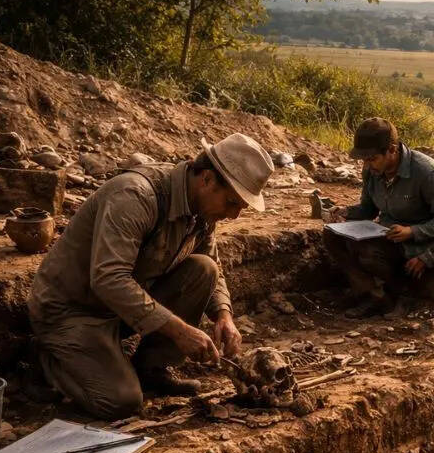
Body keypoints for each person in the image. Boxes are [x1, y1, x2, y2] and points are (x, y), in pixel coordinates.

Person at [26, 133, 274, 419]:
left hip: (117, 311)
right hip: (71, 311)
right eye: (232, 203)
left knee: (203, 269)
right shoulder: (135, 196)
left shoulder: (202, 210)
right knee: (121, 401)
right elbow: (109, 279)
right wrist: (180, 331)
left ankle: (151, 368)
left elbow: (212, 265)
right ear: (206, 179)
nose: (233, 216)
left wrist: (223, 315)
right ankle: (49, 360)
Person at [325, 118, 434, 318]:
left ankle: (400, 297)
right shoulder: (372, 171)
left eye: (371, 159)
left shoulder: (427, 172)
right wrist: (345, 213)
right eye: (364, 160)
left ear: (391, 150)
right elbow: (368, 209)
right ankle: (374, 295)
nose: (366, 165)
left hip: (420, 240)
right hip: (388, 234)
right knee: (331, 236)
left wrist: (412, 232)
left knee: (368, 252)